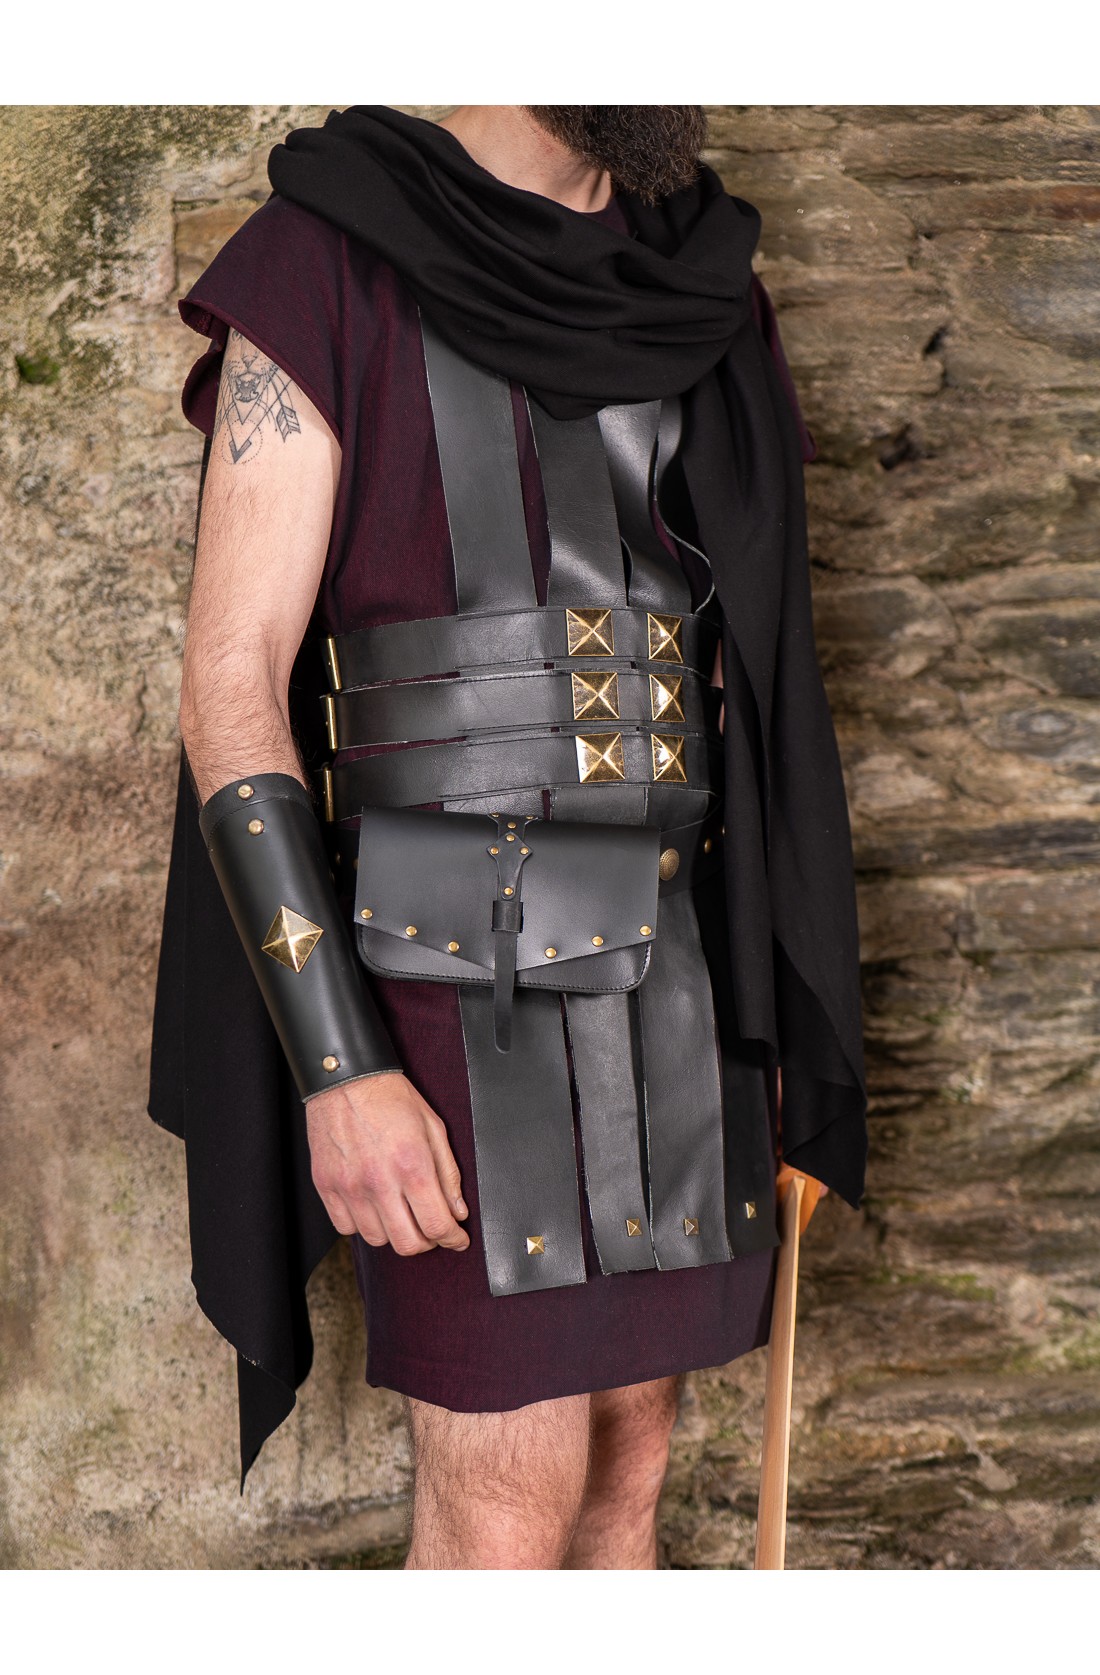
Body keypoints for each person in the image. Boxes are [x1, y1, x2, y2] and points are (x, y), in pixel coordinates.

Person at [148, 104, 868, 1570]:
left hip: (679, 976)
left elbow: (752, 677)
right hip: (444, 984)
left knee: (628, 1473)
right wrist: (339, 1067)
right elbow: (231, 681)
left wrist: (784, 1006)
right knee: (507, 1501)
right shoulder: (323, 259)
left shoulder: (696, 278)